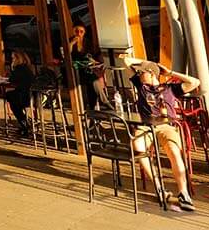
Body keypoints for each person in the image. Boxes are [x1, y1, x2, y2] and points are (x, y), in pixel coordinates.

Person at [125, 57, 199, 212]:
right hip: (146, 126)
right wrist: (149, 63)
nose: (139, 75)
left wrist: (170, 72)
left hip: (166, 126)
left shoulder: (170, 88)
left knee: (173, 152)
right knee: (137, 146)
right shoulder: (141, 86)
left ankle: (183, 192)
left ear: (152, 74)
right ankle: (159, 187)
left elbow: (194, 82)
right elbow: (126, 60)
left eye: (143, 72)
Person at [69, 23, 108, 109]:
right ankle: (103, 102)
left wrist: (92, 60)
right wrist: (71, 44)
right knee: (92, 80)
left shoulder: (89, 43)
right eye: (76, 31)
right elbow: (66, 56)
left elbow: (98, 59)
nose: (78, 34)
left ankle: (93, 109)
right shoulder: (69, 42)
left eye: (81, 32)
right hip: (75, 72)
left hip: (88, 70)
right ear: (73, 32)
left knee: (92, 82)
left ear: (84, 32)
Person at [4, 50, 35, 135]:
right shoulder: (27, 68)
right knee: (12, 97)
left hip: (24, 96)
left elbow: (12, 79)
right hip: (31, 96)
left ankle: (24, 123)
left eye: (13, 58)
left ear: (18, 59)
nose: (12, 60)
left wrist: (12, 68)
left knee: (10, 97)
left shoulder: (19, 68)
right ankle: (24, 121)